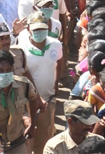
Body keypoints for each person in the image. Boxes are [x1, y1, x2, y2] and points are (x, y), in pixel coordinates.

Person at [19, 11, 64, 152]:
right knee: (26, 138)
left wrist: (56, 84)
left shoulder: (55, 45)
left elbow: (60, 61)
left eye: (43, 29)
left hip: (48, 99)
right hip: (26, 102)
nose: (40, 32)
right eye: (36, 30)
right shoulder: (22, 47)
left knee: (45, 138)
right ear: (28, 29)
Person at [0, 49, 39, 153]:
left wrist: (32, 124)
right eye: (0, 71)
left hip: (18, 142)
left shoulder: (24, 85)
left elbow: (33, 98)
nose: (5, 73)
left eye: (8, 69)